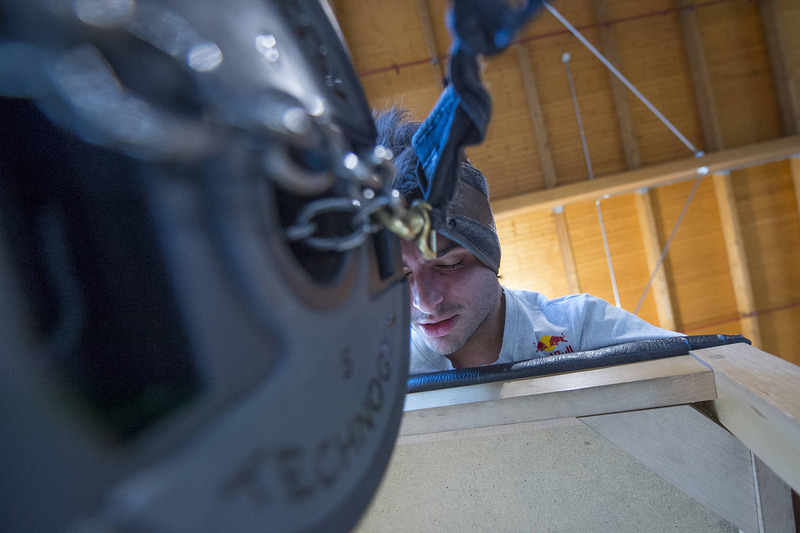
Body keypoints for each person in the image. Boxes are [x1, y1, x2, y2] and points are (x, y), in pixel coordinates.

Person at [374, 107, 680, 375]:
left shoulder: (581, 330)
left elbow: (709, 371)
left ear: (489, 254)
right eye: (401, 277)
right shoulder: (378, 377)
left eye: (451, 264)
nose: (425, 302)